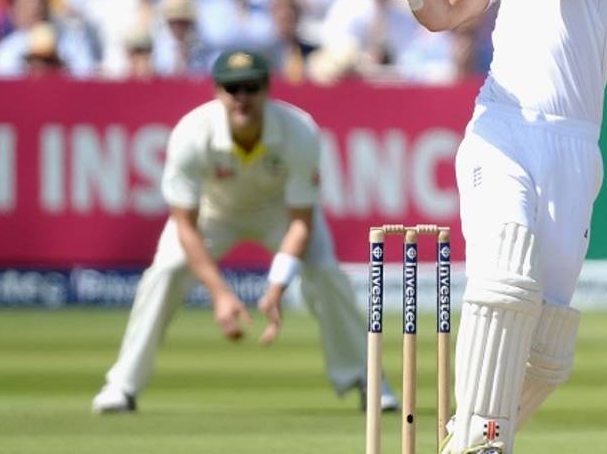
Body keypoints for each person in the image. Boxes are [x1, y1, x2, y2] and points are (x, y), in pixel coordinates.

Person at [355, 0, 607, 453]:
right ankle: (483, 444)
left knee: (547, 350)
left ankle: (466, 441)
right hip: (501, 130)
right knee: (503, 281)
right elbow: (444, 13)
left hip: (572, 146)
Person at [92, 49, 398, 414]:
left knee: (326, 273)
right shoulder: (192, 133)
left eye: (251, 87)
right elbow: (185, 226)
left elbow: (302, 220)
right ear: (217, 92)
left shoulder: (299, 131)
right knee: (165, 273)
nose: (242, 98)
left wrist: (277, 286)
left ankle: (367, 379)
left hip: (280, 213)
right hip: (212, 214)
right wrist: (221, 294)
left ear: (267, 90)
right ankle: (122, 386)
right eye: (232, 88)